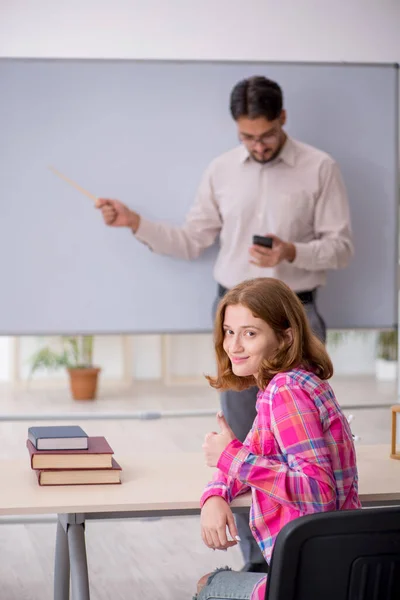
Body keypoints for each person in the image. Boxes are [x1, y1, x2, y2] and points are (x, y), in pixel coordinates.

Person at [96, 76, 353, 571]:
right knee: (246, 436)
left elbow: (342, 247)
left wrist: (290, 251)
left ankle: (299, 566)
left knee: (293, 441)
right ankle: (264, 566)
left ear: (283, 120)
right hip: (235, 304)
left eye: (266, 136)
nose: (257, 146)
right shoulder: (221, 171)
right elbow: (193, 240)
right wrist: (135, 223)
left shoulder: (321, 168)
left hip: (293, 310)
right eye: (246, 137)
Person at [194, 277, 361, 600]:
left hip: (313, 575)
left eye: (250, 333)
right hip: (334, 564)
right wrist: (215, 494)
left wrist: (228, 457)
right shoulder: (295, 382)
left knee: (208, 585)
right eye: (230, 332)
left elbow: (318, 491)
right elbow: (251, 453)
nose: (234, 346)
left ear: (285, 337)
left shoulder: (286, 392)